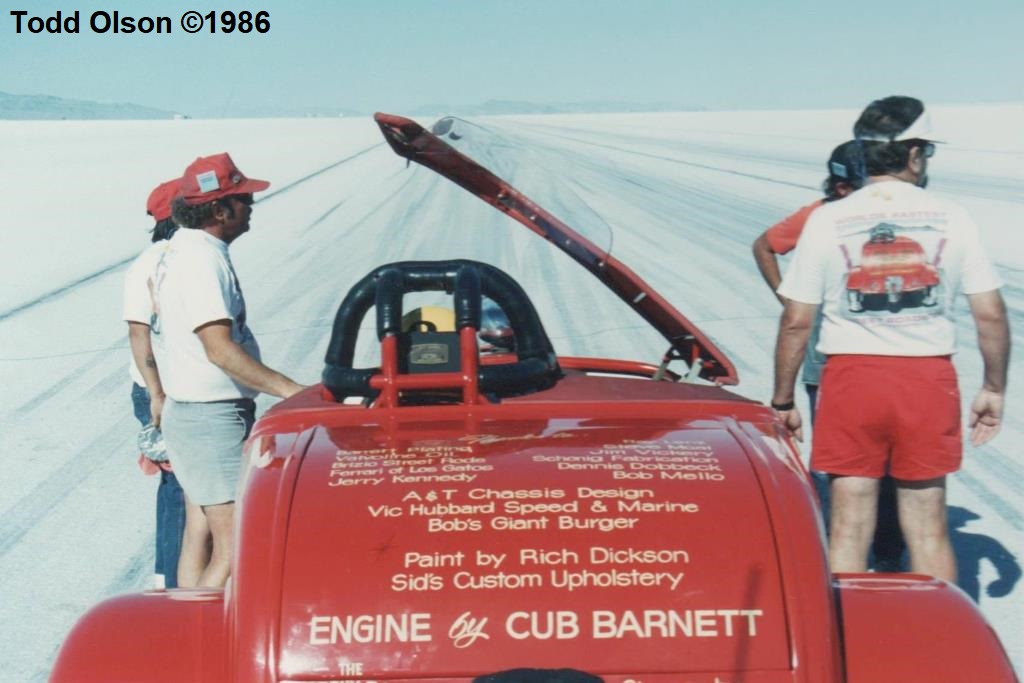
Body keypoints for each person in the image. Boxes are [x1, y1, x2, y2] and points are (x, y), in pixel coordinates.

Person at [771, 96, 1009, 582]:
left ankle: (850, 642)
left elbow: (796, 320)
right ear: (915, 155)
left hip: (850, 379)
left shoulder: (827, 218)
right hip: (925, 379)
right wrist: (994, 388)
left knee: (849, 526)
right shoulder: (952, 215)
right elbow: (989, 314)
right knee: (927, 528)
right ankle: (941, 644)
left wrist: (783, 399)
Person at [152, 153, 305, 588]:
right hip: (210, 418)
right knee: (237, 547)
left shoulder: (182, 249)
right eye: (242, 199)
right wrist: (291, 390)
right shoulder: (203, 261)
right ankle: (197, 646)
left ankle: (189, 628)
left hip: (194, 414)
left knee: (203, 536)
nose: (250, 206)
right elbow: (219, 350)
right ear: (219, 210)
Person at [752, 142, 906, 571]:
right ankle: (851, 559)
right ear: (841, 187)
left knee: (894, 466)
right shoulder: (819, 215)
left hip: (891, 358)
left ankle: (889, 553)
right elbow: (763, 246)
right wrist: (790, 300)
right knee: (846, 465)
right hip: (829, 363)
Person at [122, 179, 186, 588]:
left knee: (179, 483)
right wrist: (159, 397)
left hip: (162, 388)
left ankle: (172, 574)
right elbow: (138, 332)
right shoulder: (161, 261)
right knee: (181, 485)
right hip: (163, 390)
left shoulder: (170, 256)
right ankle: (173, 579)